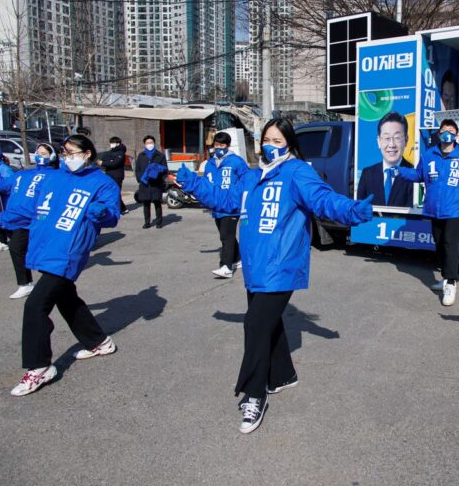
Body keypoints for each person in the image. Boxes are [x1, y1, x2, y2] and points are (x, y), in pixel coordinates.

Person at [175, 118, 373, 434]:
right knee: (269, 322)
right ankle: (282, 375)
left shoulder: (297, 172)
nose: (271, 145)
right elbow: (224, 202)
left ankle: (255, 395)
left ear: (290, 144)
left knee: (255, 323)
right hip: (256, 267)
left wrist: (352, 211)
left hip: (281, 267)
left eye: (278, 140)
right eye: (267, 138)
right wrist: (191, 181)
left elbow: (323, 199)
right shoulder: (254, 176)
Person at [0, 134, 121, 396]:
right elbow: (33, 207)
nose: (67, 156)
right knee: (66, 298)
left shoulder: (102, 183)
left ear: (87, 153)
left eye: (72, 152)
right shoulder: (55, 178)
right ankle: (99, 341)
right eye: (64, 152)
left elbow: (112, 215)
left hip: (69, 250)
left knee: (35, 306)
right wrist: (8, 218)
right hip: (47, 245)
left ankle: (39, 367)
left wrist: (100, 212)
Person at [397, 119, 459, 306]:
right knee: (439, 244)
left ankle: (451, 282)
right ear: (439, 134)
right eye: (444, 130)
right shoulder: (428, 155)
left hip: (454, 208)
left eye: (451, 130)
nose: (447, 133)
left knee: (450, 244)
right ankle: (445, 277)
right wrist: (400, 172)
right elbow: (418, 174)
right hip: (434, 209)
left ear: (456, 135)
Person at [0, 143, 59, 299]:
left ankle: (53, 285)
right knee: (17, 248)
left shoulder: (57, 176)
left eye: (44, 153)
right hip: (17, 220)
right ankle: (25, 284)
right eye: (38, 152)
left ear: (53, 156)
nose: (40, 156)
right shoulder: (23, 174)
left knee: (41, 253)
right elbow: (2, 185)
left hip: (39, 221)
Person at [203, 131, 249, 278]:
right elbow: (207, 182)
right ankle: (238, 259)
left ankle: (226, 267)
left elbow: (246, 179)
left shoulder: (236, 161)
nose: (219, 147)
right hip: (217, 205)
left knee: (226, 236)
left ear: (228, 146)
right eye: (217, 144)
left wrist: (237, 194)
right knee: (225, 236)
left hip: (231, 206)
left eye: (222, 144)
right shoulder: (210, 163)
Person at [357, 111, 414, 207]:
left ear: (406, 140)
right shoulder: (368, 174)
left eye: (397, 137)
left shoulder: (414, 173)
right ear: (379, 142)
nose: (391, 144)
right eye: (387, 138)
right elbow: (360, 208)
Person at [134, 135, 167, 229]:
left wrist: (161, 176)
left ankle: (159, 222)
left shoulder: (160, 155)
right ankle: (147, 222)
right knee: (146, 204)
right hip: (144, 184)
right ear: (144, 144)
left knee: (157, 203)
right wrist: (140, 179)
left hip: (156, 183)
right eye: (147, 143)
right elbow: (138, 170)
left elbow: (165, 169)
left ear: (154, 143)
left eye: (151, 142)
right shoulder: (141, 155)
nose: (149, 144)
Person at [98, 136, 129, 215]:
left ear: (118, 143)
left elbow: (115, 163)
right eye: (111, 143)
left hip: (117, 176)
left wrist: (105, 162)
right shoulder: (109, 152)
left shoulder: (121, 153)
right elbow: (104, 159)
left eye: (113, 143)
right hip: (109, 175)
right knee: (110, 192)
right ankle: (120, 208)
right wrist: (108, 161)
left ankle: (121, 209)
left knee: (116, 192)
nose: (111, 144)